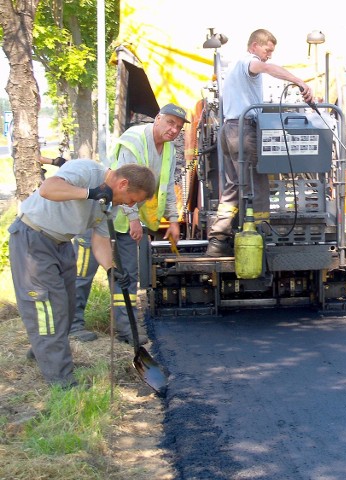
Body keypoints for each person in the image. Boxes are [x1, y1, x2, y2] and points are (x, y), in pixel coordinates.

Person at [8, 161, 156, 388]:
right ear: (123, 184)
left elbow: (100, 240)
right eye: (133, 199)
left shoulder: (110, 205)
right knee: (48, 310)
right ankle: (62, 382)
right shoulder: (87, 171)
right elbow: (48, 189)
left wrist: (110, 269)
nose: (130, 205)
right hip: (33, 239)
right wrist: (90, 193)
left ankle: (44, 353)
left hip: (62, 244)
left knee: (66, 307)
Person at [206, 28, 314, 256]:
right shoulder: (250, 62)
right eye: (268, 50)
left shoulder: (234, 67)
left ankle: (217, 241)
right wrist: (298, 81)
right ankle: (261, 238)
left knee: (233, 187)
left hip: (229, 130)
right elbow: (263, 67)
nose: (269, 55)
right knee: (259, 183)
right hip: (244, 131)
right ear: (255, 45)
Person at [108, 103, 187, 344]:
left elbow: (167, 187)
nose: (174, 130)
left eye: (179, 127)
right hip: (109, 214)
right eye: (170, 123)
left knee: (127, 275)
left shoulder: (170, 150)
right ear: (158, 118)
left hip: (131, 218)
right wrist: (133, 218)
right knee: (86, 273)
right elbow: (124, 184)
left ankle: (126, 327)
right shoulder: (133, 140)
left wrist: (173, 220)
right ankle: (77, 327)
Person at [40, 155, 100, 342]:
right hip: (73, 232)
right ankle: (73, 326)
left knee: (72, 279)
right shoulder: (87, 171)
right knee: (80, 276)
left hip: (90, 228)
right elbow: (49, 188)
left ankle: (61, 332)